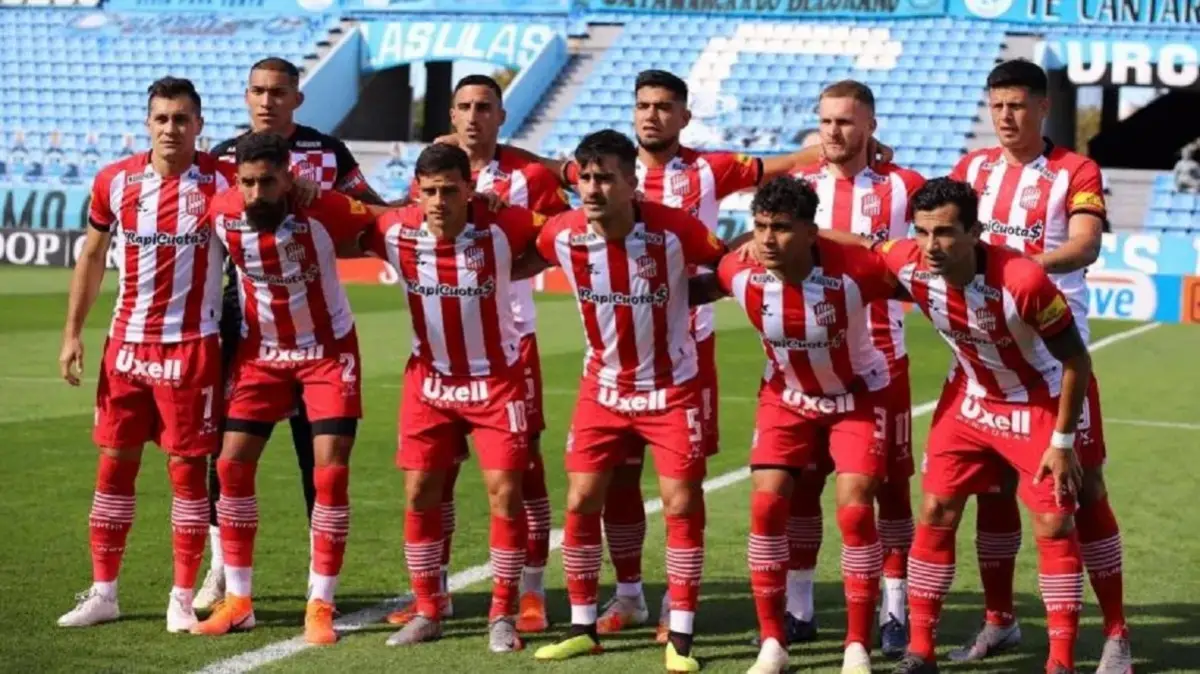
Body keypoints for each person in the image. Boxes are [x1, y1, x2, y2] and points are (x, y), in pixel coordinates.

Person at [838, 178, 1089, 674]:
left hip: (1033, 399)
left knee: (1055, 521)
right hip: (970, 398)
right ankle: (921, 649)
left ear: (976, 231)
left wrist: (1062, 441)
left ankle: (1060, 660)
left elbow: (1077, 361)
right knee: (935, 510)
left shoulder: (1023, 280)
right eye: (923, 232)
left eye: (946, 233)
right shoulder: (909, 258)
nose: (932, 246)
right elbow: (862, 244)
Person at [523, 130, 731, 672]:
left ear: (631, 183)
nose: (592, 189)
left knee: (682, 504)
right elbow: (523, 251)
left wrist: (689, 292)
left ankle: (680, 637)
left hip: (672, 386)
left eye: (606, 178)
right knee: (580, 501)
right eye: (586, 178)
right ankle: (583, 626)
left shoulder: (676, 229)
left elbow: (727, 269)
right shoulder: (563, 235)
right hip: (604, 389)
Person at [949, 59, 1131, 673]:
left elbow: (1086, 244)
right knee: (991, 493)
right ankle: (1000, 621)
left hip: (1055, 366)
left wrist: (1016, 270)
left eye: (1018, 105)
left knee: (1084, 492)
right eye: (997, 105)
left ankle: (1115, 634)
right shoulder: (971, 170)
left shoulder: (1074, 170)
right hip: (984, 362)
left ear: (1042, 107)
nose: (1006, 116)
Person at [194, 56, 392, 611]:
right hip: (243, 320)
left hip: (315, 322)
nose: (266, 101)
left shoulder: (328, 153)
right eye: (257, 90)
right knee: (225, 453)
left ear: (296, 99)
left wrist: (321, 199)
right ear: (245, 95)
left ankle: (319, 582)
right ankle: (220, 573)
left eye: (278, 92)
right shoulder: (221, 159)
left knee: (317, 453)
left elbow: (373, 212)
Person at [691, 176, 903, 674]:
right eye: (760, 226)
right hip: (786, 398)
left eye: (782, 228)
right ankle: (773, 643)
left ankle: (856, 646)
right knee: (766, 506)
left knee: (854, 512)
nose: (767, 239)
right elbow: (694, 289)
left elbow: (920, 277)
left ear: (812, 232)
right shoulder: (739, 271)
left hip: (857, 397)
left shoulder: (858, 270)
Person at [385, 74, 570, 634]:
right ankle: (431, 591)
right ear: (451, 112)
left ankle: (530, 590)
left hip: (514, 339)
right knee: (431, 478)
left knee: (522, 472)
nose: (473, 117)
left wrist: (513, 269)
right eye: (463, 107)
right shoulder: (435, 166)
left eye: (484, 107)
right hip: (442, 349)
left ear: (501, 114)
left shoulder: (528, 175)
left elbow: (560, 233)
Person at [346, 143, 545, 652]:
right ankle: (429, 608)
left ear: (469, 189)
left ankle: (502, 612)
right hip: (429, 383)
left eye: (449, 191)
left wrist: (518, 265)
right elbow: (336, 215)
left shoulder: (506, 225)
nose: (438, 201)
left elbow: (563, 230)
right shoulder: (395, 228)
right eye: (429, 191)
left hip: (497, 381)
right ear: (417, 191)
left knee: (505, 491)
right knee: (419, 493)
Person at [55, 77, 228, 633]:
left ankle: (181, 597)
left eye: (181, 119)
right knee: (113, 467)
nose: (171, 129)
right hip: (125, 347)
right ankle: (104, 592)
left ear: (199, 125)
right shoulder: (115, 181)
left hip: (192, 347)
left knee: (185, 472)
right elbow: (92, 254)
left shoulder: (224, 184)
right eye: (161, 119)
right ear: (147, 123)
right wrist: (73, 333)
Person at [786, 80, 924, 658]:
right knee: (800, 488)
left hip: (882, 361)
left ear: (869, 125)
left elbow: (934, 250)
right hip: (809, 363)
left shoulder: (903, 187)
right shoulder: (797, 188)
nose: (834, 132)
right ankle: (799, 608)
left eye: (846, 122)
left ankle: (895, 609)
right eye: (826, 121)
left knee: (887, 492)